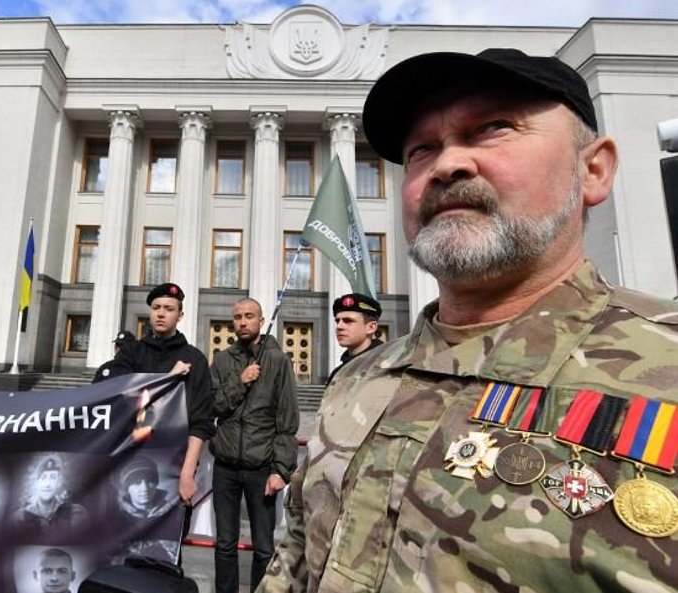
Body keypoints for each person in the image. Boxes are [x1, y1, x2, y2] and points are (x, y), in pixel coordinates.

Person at [257, 48, 678, 593]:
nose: (448, 164)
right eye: (421, 149)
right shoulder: (358, 380)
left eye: (493, 128)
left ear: (592, 169)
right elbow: (293, 561)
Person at [97, 283, 215, 512]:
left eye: (169, 309)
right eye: (156, 307)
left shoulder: (195, 359)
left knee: (168, 545)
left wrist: (187, 473)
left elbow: (200, 422)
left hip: (173, 466)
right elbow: (118, 398)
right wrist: (169, 378)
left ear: (180, 315)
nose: (161, 313)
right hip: (127, 462)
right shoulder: (131, 354)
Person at [209, 298, 298, 593]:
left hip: (261, 467)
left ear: (261, 321)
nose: (242, 322)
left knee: (262, 546)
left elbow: (287, 420)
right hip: (225, 468)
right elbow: (214, 406)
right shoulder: (222, 360)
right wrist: (240, 380)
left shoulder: (278, 361)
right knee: (224, 544)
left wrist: (281, 470)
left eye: (249, 316)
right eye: (237, 317)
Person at [13, 453, 88, 538]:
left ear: (58, 482)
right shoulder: (19, 517)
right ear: (36, 482)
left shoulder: (75, 513)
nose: (47, 484)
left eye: (53, 477)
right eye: (43, 477)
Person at [326, 292, 383, 385]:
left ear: (371, 327)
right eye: (337, 321)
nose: (339, 326)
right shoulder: (337, 373)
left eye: (348, 321)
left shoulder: (387, 368)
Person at [115, 455, 176, 520]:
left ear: (156, 484)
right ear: (127, 488)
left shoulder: (175, 513)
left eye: (149, 482)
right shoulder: (115, 518)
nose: (145, 488)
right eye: (137, 483)